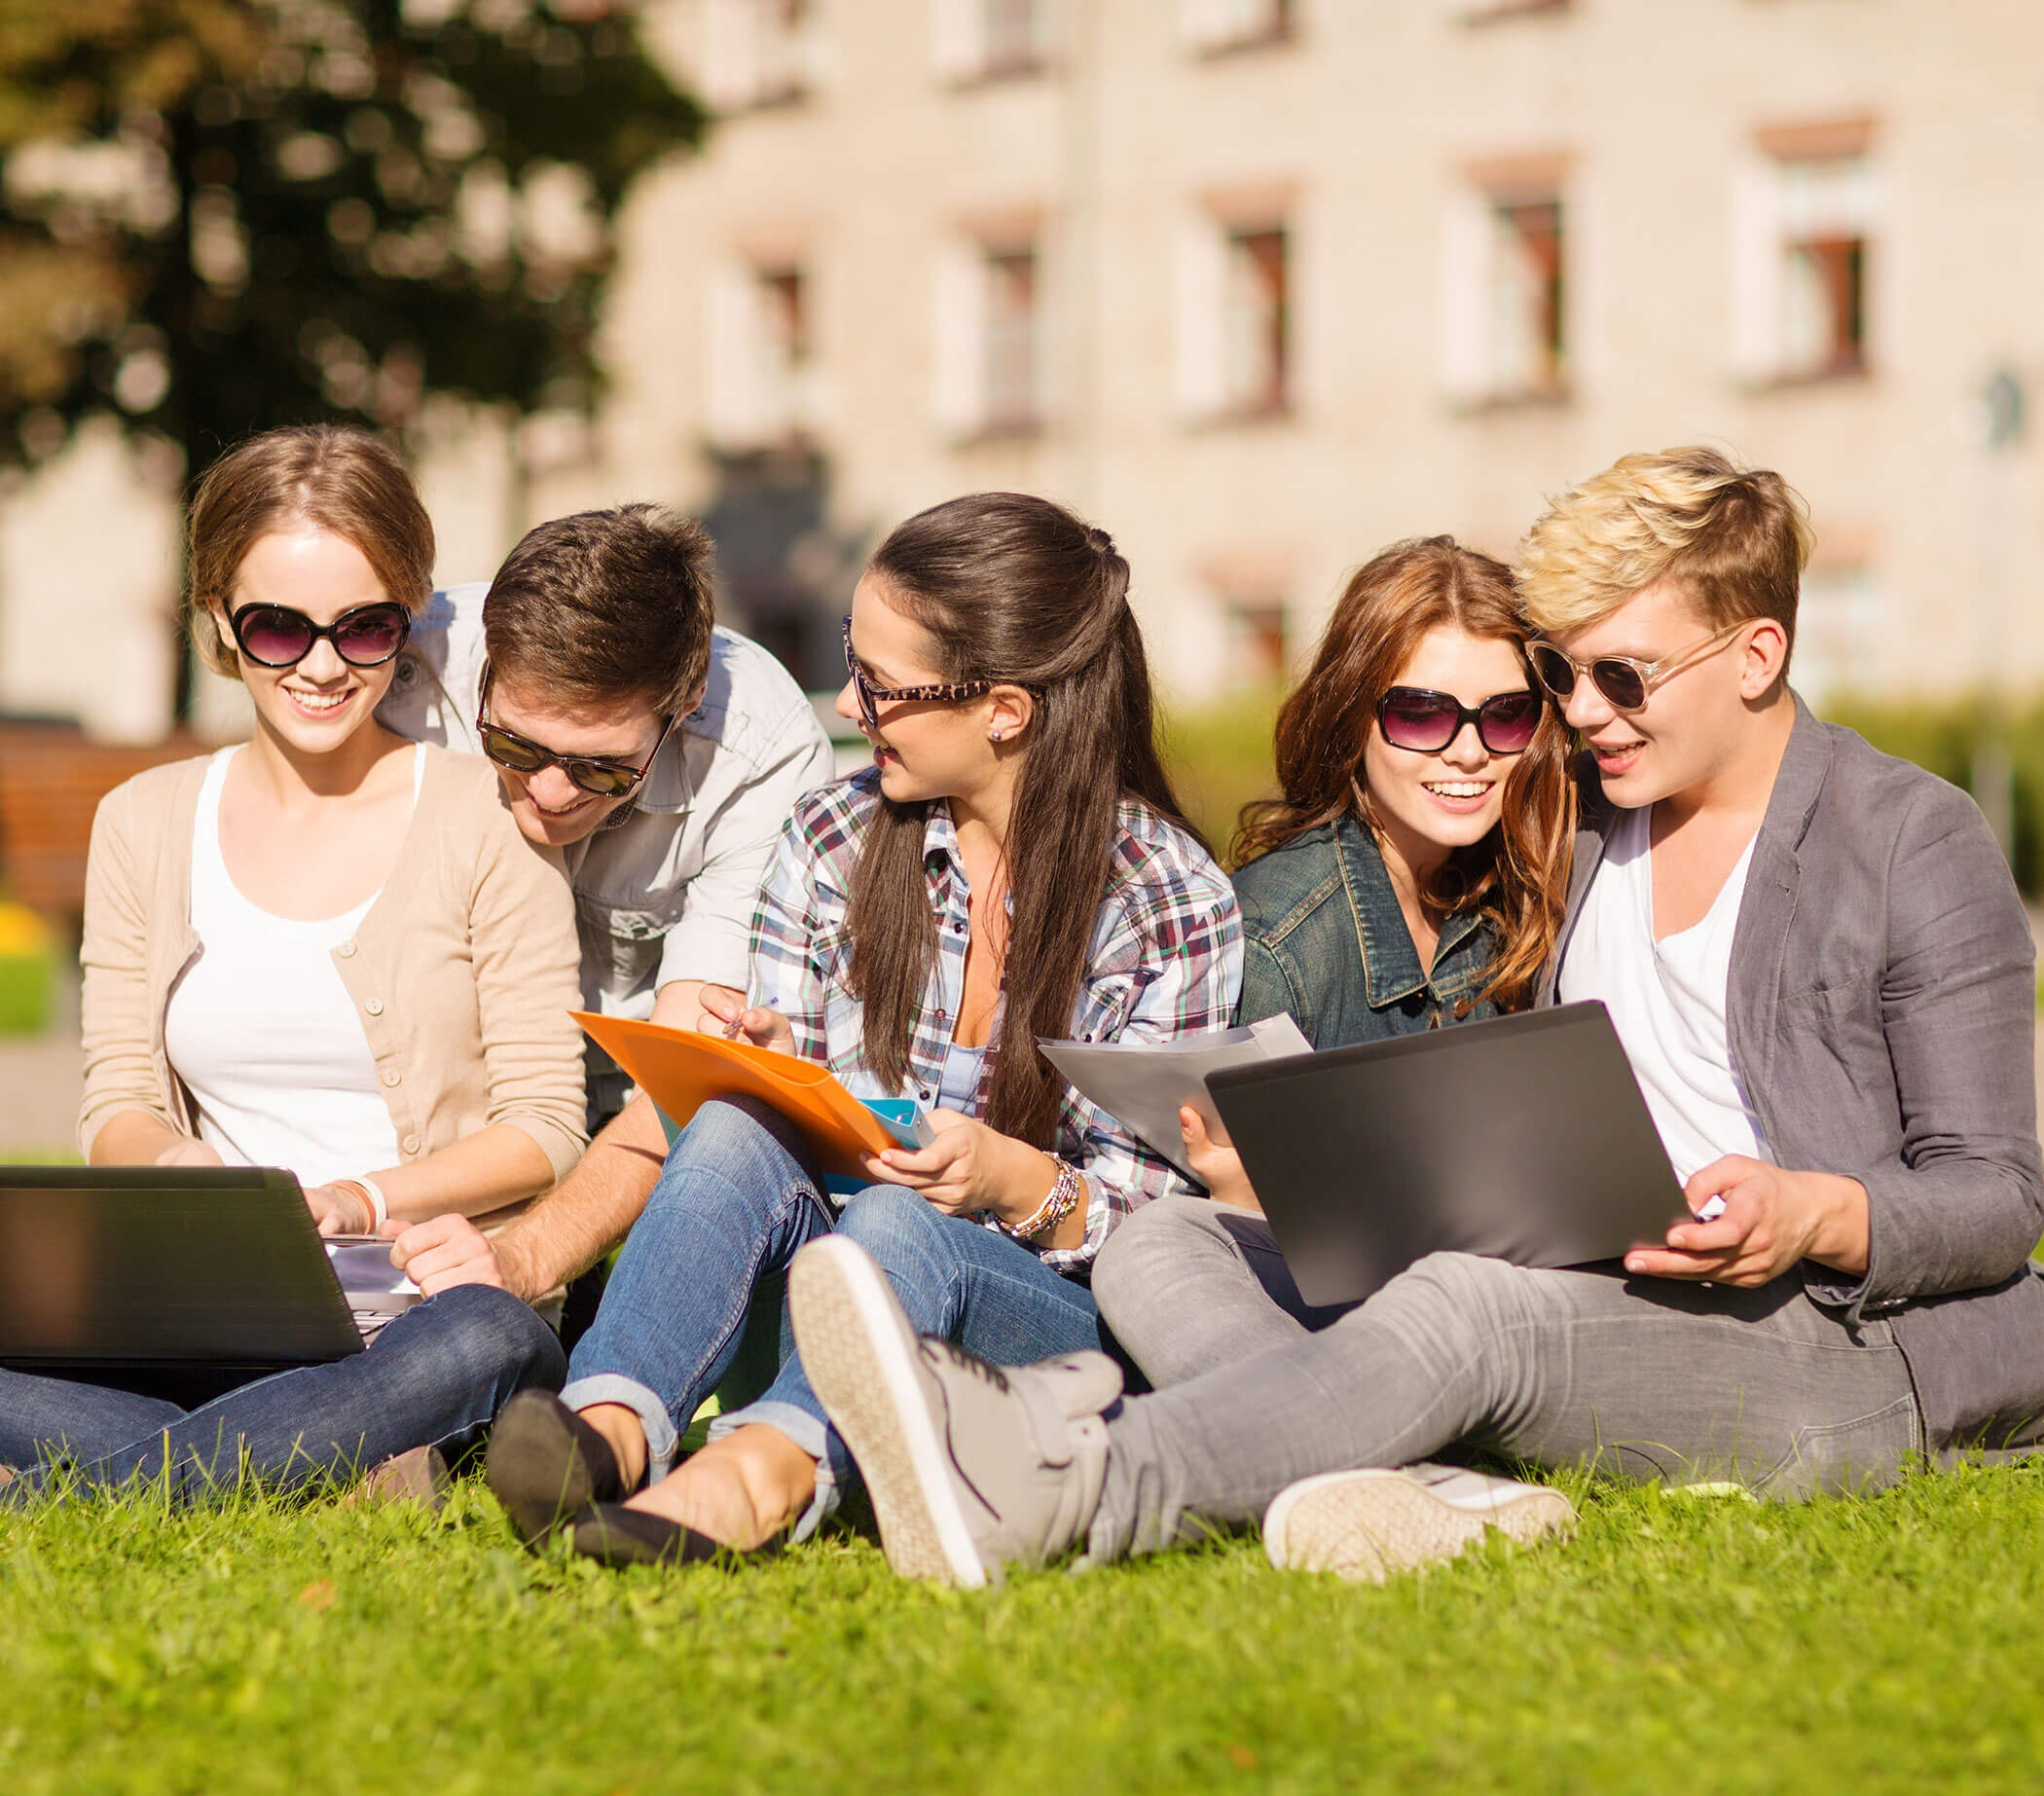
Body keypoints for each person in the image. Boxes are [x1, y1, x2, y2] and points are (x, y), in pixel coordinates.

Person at [791, 446, 2044, 1589]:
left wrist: (1815, 1210)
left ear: (1759, 656)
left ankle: (1062, 1486)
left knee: (1466, 1308)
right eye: (1564, 677)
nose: (1582, 714)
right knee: (1161, 1243)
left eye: (1623, 676)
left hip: (1833, 1338)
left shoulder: (1907, 839)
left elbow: (2002, 1195)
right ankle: (1400, 1491)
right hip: (1579, 1277)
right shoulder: (1582, 822)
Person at [478, 492, 1242, 1563]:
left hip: (1049, 1320)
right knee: (739, 1127)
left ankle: (755, 1480)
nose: (847, 702)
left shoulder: (1163, 901)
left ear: (1005, 712)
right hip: (833, 1269)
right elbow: (793, 1120)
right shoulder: (833, 832)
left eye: (879, 687)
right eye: (852, 658)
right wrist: (766, 1070)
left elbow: (1165, 1236)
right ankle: (606, 1430)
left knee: (901, 1228)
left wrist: (1014, 1181)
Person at [0, 426, 587, 1504]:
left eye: (364, 629)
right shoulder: (143, 821)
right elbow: (118, 1101)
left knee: (485, 1342)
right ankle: (292, 1460)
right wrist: (184, 1175)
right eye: (279, 628)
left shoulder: (483, 818)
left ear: (405, 623)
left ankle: (82, 1486)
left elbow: (546, 1125)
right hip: (207, 1327)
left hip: (420, 1329)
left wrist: (362, 1200)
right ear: (221, 621)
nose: (323, 666)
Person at [1091, 537, 1573, 1388]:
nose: (1469, 753)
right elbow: (1205, 1233)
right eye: (1422, 714)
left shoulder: (1518, 893)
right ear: (1353, 718)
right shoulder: (1278, 936)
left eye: (1505, 716)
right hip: (1305, 1318)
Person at [374, 506, 835, 1323]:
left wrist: (523, 1260)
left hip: (632, 1114)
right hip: (442, 1090)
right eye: (512, 746)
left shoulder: (763, 750)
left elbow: (685, 1071)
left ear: (685, 702)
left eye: (601, 769)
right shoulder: (406, 667)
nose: (547, 795)